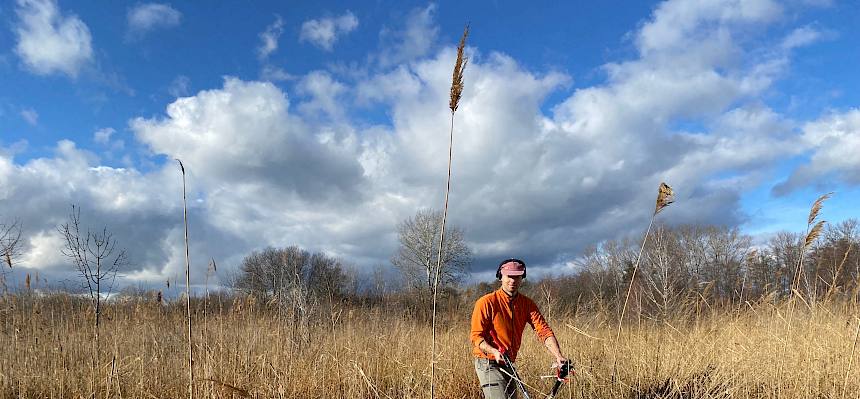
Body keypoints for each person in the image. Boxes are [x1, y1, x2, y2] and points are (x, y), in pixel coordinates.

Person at [470, 258, 567, 399]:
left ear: (522, 278)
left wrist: (558, 356)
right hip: (487, 362)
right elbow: (476, 337)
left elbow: (544, 331)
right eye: (509, 276)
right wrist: (494, 351)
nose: (513, 281)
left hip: (508, 362)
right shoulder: (486, 302)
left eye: (517, 277)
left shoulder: (527, 304)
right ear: (500, 276)